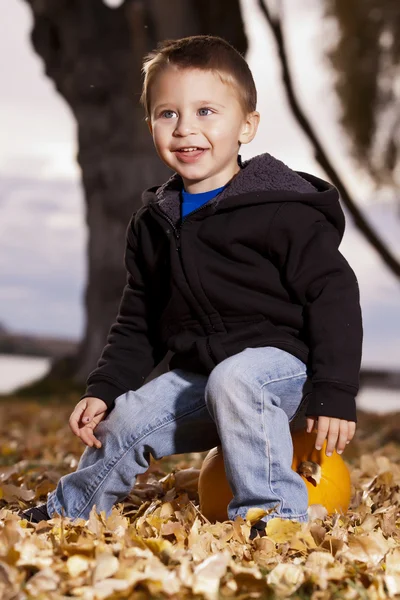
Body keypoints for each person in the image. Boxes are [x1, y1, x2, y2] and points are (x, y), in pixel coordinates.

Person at [20, 35, 362, 537]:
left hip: (290, 375)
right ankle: (71, 509)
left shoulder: (281, 211)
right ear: (151, 125)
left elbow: (334, 295)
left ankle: (274, 520)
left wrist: (335, 390)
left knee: (238, 377)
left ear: (247, 125)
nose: (185, 129)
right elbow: (138, 319)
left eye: (206, 111)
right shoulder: (154, 223)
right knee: (129, 416)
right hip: (209, 378)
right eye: (167, 114)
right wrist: (106, 389)